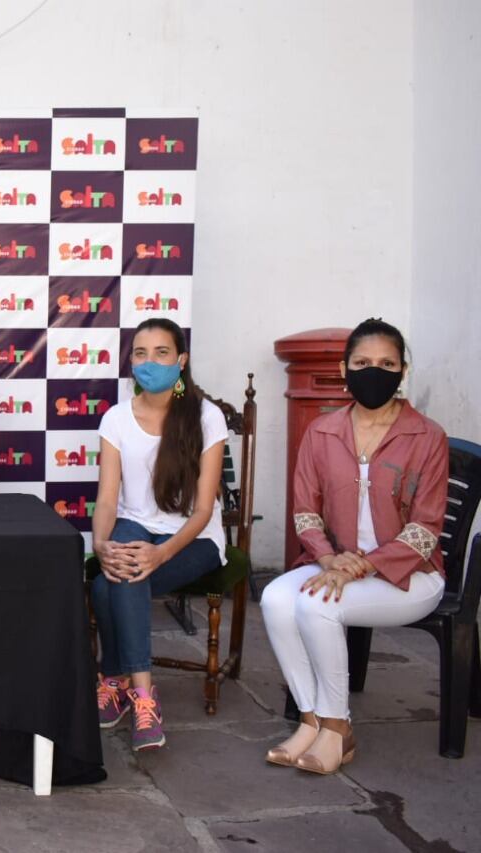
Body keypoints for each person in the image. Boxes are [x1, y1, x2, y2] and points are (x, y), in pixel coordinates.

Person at [260, 319, 446, 774]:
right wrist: (327, 557)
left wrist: (358, 567)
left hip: (410, 577)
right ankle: (309, 720)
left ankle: (337, 730)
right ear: (345, 369)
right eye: (362, 363)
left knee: (317, 605)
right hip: (334, 562)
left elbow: (425, 530)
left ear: (403, 371)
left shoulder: (427, 437)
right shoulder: (322, 432)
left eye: (387, 364)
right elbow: (305, 511)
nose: (374, 372)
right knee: (275, 598)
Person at [91, 318, 228, 751]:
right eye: (141, 354)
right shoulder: (116, 419)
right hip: (134, 527)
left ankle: (126, 686)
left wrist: (161, 554)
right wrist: (99, 545)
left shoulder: (206, 417)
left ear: (181, 361)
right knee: (113, 569)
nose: (150, 362)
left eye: (162, 353)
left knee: (110, 583)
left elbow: (204, 510)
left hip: (194, 539)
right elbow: (108, 501)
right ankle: (135, 690)